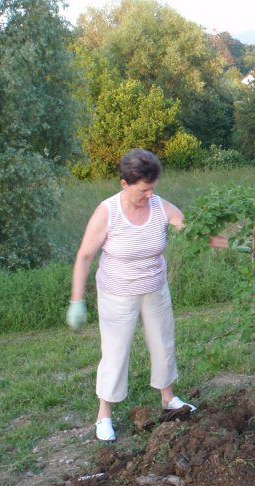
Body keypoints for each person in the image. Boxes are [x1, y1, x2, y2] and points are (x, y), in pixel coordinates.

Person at [66, 148, 227, 441]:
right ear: (125, 184)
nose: (149, 195)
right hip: (117, 293)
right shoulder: (108, 212)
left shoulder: (160, 207)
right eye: (143, 190)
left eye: (153, 188)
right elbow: (85, 255)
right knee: (115, 353)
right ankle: (104, 415)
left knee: (163, 344)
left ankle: (168, 400)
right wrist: (77, 300)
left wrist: (242, 243)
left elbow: (195, 233)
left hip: (154, 288)